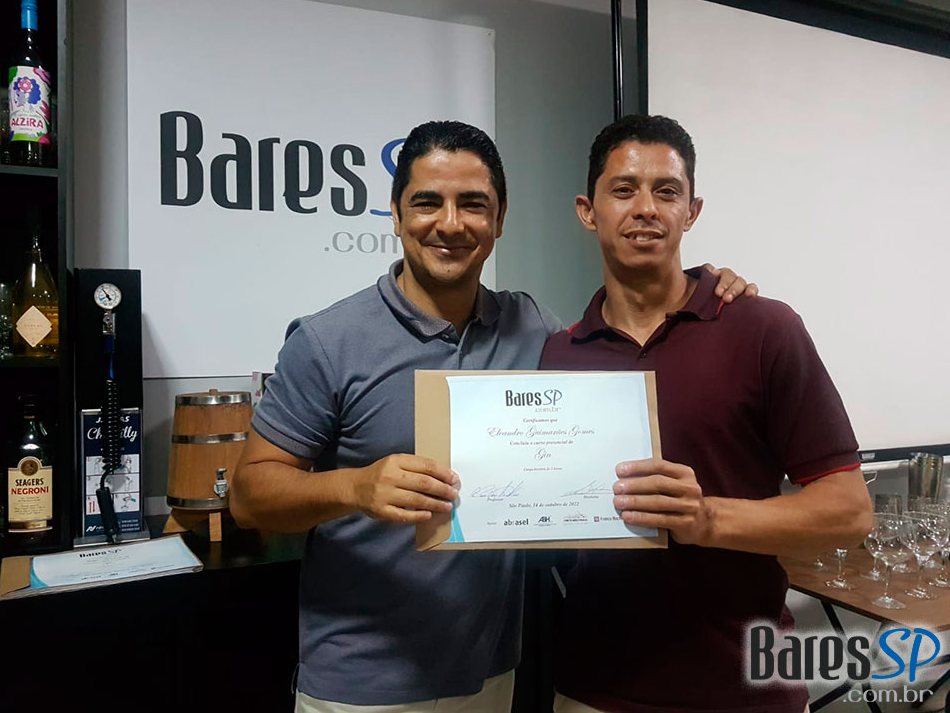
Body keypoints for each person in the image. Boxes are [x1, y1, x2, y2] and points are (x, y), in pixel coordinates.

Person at [230, 120, 754, 712]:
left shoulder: (532, 327)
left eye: (473, 204)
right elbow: (249, 497)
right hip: (362, 683)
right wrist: (355, 487)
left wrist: (707, 288)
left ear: (499, 220)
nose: (451, 224)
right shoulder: (328, 340)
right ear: (396, 215)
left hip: (491, 674)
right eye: (427, 202)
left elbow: (622, 343)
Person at [540, 114, 873, 713]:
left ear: (691, 212)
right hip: (592, 689)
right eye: (624, 190)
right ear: (589, 211)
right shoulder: (559, 354)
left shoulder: (764, 328)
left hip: (742, 690)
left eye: (666, 191)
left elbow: (849, 511)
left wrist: (707, 519)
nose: (646, 208)